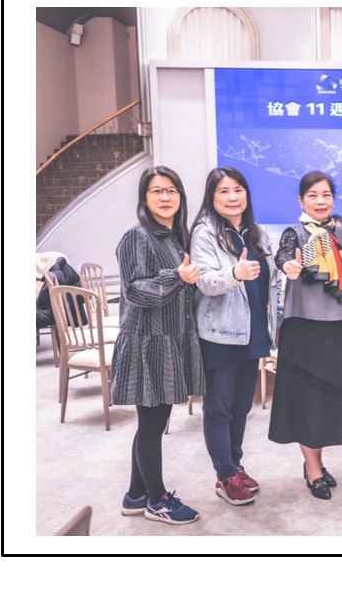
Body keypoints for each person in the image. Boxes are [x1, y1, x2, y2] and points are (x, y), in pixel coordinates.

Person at [110, 166, 205, 525]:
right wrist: (177, 276)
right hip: (146, 343)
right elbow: (135, 291)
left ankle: (135, 495)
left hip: (168, 340)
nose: (165, 197)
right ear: (144, 198)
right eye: (156, 191)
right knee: (152, 424)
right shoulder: (137, 236)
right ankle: (157, 500)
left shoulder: (172, 237)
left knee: (153, 420)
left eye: (171, 190)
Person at [191, 167, 278, 506]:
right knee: (219, 408)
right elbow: (205, 281)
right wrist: (234, 273)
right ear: (212, 198)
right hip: (220, 334)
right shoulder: (205, 232)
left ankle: (235, 464)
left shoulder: (256, 232)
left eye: (238, 190)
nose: (232, 197)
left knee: (242, 406)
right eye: (224, 191)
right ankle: (224, 475)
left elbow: (271, 282)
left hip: (252, 331)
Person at [269, 172, 342, 500]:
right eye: (313, 196)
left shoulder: (341, 234)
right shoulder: (295, 234)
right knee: (305, 397)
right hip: (303, 326)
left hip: (336, 326)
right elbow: (283, 256)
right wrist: (288, 266)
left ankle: (316, 462)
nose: (320, 201)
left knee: (327, 398)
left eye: (326, 195)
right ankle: (313, 468)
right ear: (301, 201)